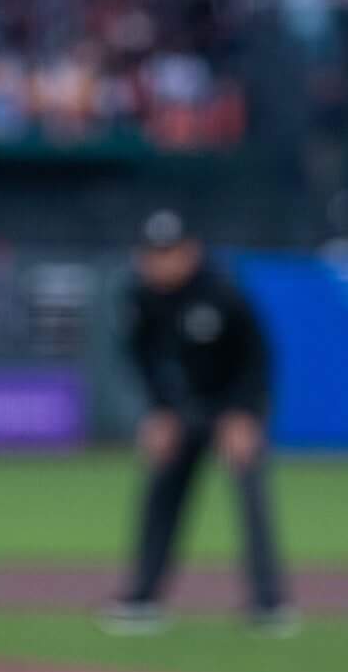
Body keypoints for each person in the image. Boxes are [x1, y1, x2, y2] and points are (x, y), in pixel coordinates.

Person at [103, 211, 291, 634]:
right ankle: (143, 597)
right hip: (180, 408)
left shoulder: (222, 292)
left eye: (169, 252)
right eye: (153, 253)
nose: (160, 262)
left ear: (191, 252)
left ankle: (268, 602)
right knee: (161, 493)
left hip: (231, 407)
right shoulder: (140, 297)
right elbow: (141, 359)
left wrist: (245, 415)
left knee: (252, 499)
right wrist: (157, 412)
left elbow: (257, 358)